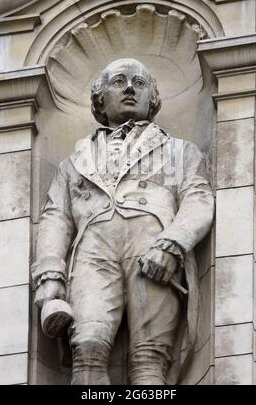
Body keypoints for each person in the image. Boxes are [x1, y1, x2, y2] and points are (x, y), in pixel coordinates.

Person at [31, 58, 214, 385]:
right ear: (100, 98)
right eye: (119, 81)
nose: (130, 88)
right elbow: (55, 218)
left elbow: (198, 199)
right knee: (86, 347)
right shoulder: (74, 162)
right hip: (93, 254)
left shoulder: (178, 151)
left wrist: (172, 244)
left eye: (139, 83)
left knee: (149, 358)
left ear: (152, 98)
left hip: (153, 251)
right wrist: (49, 275)